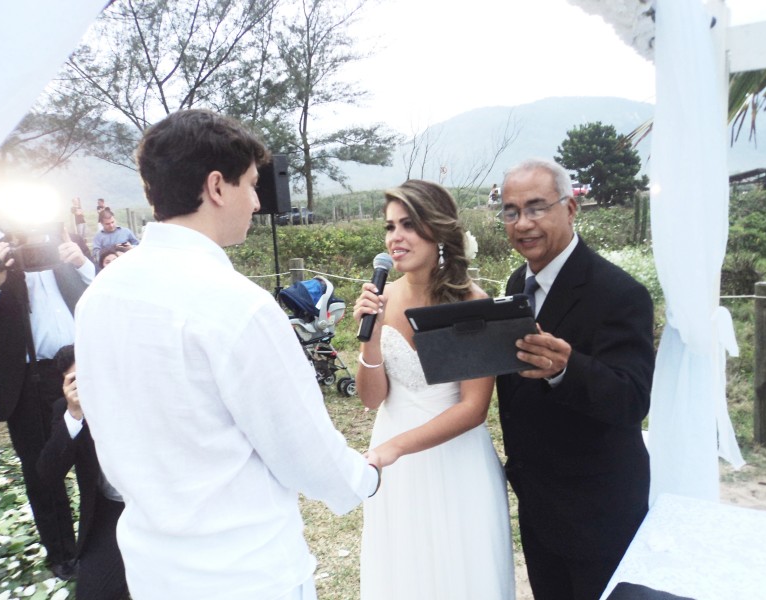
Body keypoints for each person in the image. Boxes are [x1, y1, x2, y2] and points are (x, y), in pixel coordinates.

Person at [74, 108, 381, 600]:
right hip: (244, 571)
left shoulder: (98, 296)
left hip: (154, 568)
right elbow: (300, 445)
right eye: (252, 185)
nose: (258, 203)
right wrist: (365, 477)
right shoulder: (235, 304)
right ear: (217, 187)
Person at [495, 158, 655, 600]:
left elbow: (633, 399)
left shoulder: (620, 293)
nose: (522, 223)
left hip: (597, 510)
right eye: (510, 211)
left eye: (536, 207)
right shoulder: (515, 285)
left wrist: (568, 369)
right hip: (538, 502)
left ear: (570, 209)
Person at [352, 179, 515, 600]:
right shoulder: (383, 297)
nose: (395, 238)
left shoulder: (470, 302)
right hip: (393, 462)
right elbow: (371, 399)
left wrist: (396, 448)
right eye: (390, 227)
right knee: (403, 572)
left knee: (456, 574)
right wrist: (369, 335)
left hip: (453, 460)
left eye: (408, 224)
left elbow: (474, 408)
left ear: (437, 230)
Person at [0, 224, 96, 580]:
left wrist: (81, 262)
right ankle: (62, 552)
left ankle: (98, 541)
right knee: (42, 471)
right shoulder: (0, 269)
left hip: (79, 368)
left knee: (95, 461)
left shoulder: (66, 252)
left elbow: (99, 292)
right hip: (26, 381)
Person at [36, 344, 128, 600]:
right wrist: (75, 414)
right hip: (113, 508)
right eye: (79, 379)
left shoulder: (136, 389)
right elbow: (48, 472)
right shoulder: (67, 411)